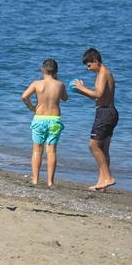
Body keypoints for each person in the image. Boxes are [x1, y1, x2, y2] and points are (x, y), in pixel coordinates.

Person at [72, 48, 117, 191]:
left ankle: (108, 177)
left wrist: (81, 87)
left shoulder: (103, 73)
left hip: (105, 113)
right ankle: (102, 183)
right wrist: (81, 91)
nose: (88, 68)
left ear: (96, 61)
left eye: (89, 65)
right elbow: (98, 97)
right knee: (103, 149)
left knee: (93, 146)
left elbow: (98, 94)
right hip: (109, 112)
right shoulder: (102, 73)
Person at [20, 58, 68, 188]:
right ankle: (50, 182)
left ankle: (35, 179)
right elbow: (65, 98)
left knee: (37, 149)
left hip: (39, 118)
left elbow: (24, 96)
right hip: (54, 120)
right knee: (51, 151)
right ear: (56, 71)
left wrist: (31, 108)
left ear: (42, 70)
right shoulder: (60, 85)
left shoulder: (37, 84)